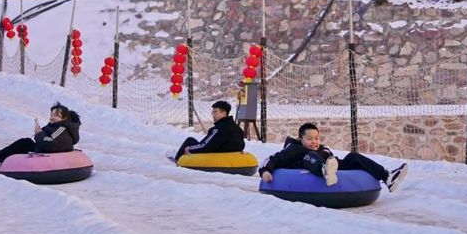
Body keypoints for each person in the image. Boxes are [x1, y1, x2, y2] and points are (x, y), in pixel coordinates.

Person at [259, 122, 409, 192]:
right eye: (309, 139)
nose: (314, 142)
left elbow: (333, 159)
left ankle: (387, 177)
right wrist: (266, 171)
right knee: (310, 155)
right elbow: (273, 159)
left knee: (353, 157)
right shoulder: (294, 149)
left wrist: (335, 162)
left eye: (316, 138)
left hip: (329, 165)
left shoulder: (323, 149)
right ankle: (324, 170)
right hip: (305, 166)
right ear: (300, 139)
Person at [0, 102, 82, 171]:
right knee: (24, 143)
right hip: (46, 149)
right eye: (51, 115)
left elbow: (51, 143)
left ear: (64, 118)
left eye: (55, 115)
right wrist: (40, 132)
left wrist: (39, 133)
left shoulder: (61, 128)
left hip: (49, 152)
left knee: (24, 143)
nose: (51, 118)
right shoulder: (56, 126)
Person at [170, 100, 245, 162]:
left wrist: (189, 148)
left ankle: (177, 160)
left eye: (215, 112)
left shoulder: (218, 129)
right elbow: (242, 145)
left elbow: (205, 146)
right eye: (213, 112)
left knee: (189, 140)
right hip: (231, 158)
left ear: (224, 114)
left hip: (216, 157)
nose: (213, 115)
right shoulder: (238, 128)